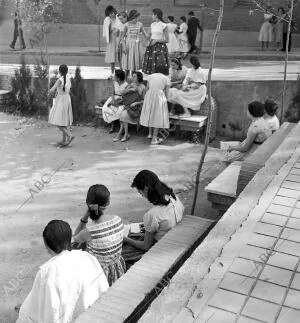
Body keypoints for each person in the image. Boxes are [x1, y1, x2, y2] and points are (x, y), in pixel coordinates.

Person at [16, 220, 109, 323]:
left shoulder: (47, 272)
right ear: (69, 239)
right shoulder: (88, 257)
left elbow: (48, 310)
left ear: (47, 246)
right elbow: (102, 289)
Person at [122, 170, 184, 265]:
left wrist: (125, 239)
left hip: (162, 247)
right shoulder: (174, 198)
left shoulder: (152, 214)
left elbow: (146, 246)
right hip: (174, 235)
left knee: (121, 254)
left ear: (146, 189)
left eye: (140, 192)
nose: (142, 196)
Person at [73, 185, 125, 286]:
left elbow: (75, 237)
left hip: (99, 274)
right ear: (108, 203)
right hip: (118, 268)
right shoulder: (117, 219)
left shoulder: (90, 231)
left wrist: (85, 217)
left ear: (88, 204)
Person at [140, 66, 170, 145]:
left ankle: (150, 134)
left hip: (149, 95)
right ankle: (154, 138)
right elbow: (167, 92)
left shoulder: (150, 76)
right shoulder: (166, 78)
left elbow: (147, 88)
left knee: (151, 114)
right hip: (159, 96)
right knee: (158, 116)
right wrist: (166, 102)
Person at [114, 71, 147, 142]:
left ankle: (122, 134)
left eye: (134, 76)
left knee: (123, 115)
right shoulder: (131, 84)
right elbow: (122, 93)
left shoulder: (143, 87)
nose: (132, 78)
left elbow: (144, 101)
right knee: (123, 114)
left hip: (137, 107)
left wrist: (136, 103)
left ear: (139, 78)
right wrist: (130, 89)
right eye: (132, 76)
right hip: (129, 106)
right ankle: (125, 134)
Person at [48, 64, 74, 147]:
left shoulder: (59, 80)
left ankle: (69, 135)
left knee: (56, 120)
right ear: (66, 71)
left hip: (60, 100)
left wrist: (48, 92)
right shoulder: (68, 79)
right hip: (67, 99)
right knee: (63, 120)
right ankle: (64, 140)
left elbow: (52, 89)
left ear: (59, 71)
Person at [142, 8, 169, 75]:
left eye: (152, 14)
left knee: (159, 64)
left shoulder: (164, 25)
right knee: (150, 66)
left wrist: (156, 40)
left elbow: (167, 40)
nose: (152, 16)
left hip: (160, 47)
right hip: (151, 47)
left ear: (156, 15)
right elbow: (149, 36)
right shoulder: (152, 24)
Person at [122, 10, 148, 76]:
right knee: (127, 65)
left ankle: (134, 81)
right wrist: (124, 46)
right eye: (135, 18)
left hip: (137, 46)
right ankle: (125, 80)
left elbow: (146, 35)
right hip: (128, 45)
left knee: (134, 66)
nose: (137, 19)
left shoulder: (140, 24)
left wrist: (152, 35)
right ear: (132, 17)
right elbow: (122, 37)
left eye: (138, 18)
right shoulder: (126, 25)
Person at [103, 6, 119, 78]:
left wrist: (117, 30)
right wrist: (111, 30)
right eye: (109, 14)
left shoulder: (118, 18)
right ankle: (112, 73)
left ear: (114, 12)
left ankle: (122, 72)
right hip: (111, 40)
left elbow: (122, 27)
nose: (111, 15)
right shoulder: (107, 20)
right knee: (112, 58)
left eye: (112, 13)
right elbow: (106, 31)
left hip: (118, 39)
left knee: (120, 56)